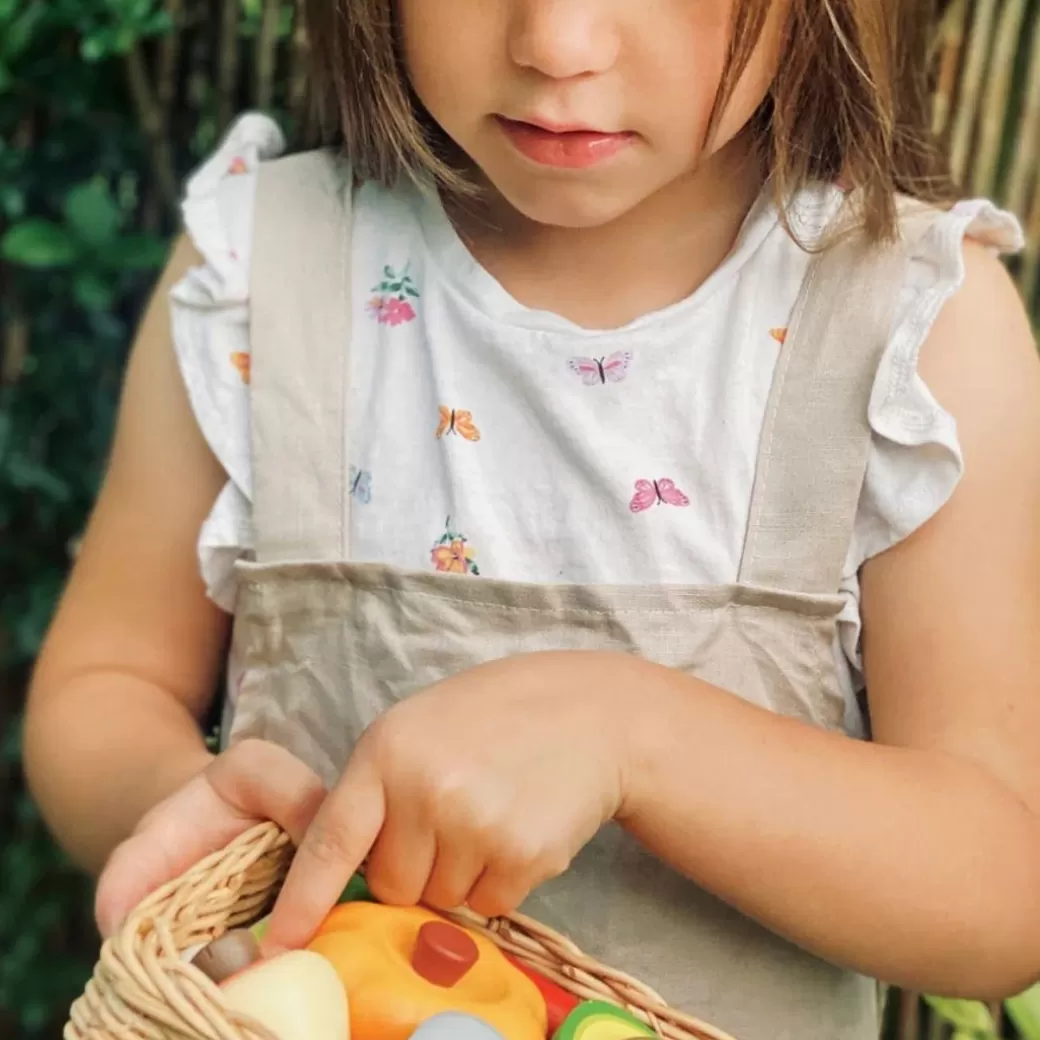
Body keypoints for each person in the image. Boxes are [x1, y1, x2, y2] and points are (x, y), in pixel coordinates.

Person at [23, 1, 1040, 1037]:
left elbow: (1003, 884)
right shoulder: (263, 275)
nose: (557, 44)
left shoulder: (913, 331)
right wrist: (175, 798)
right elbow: (105, 684)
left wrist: (635, 736)